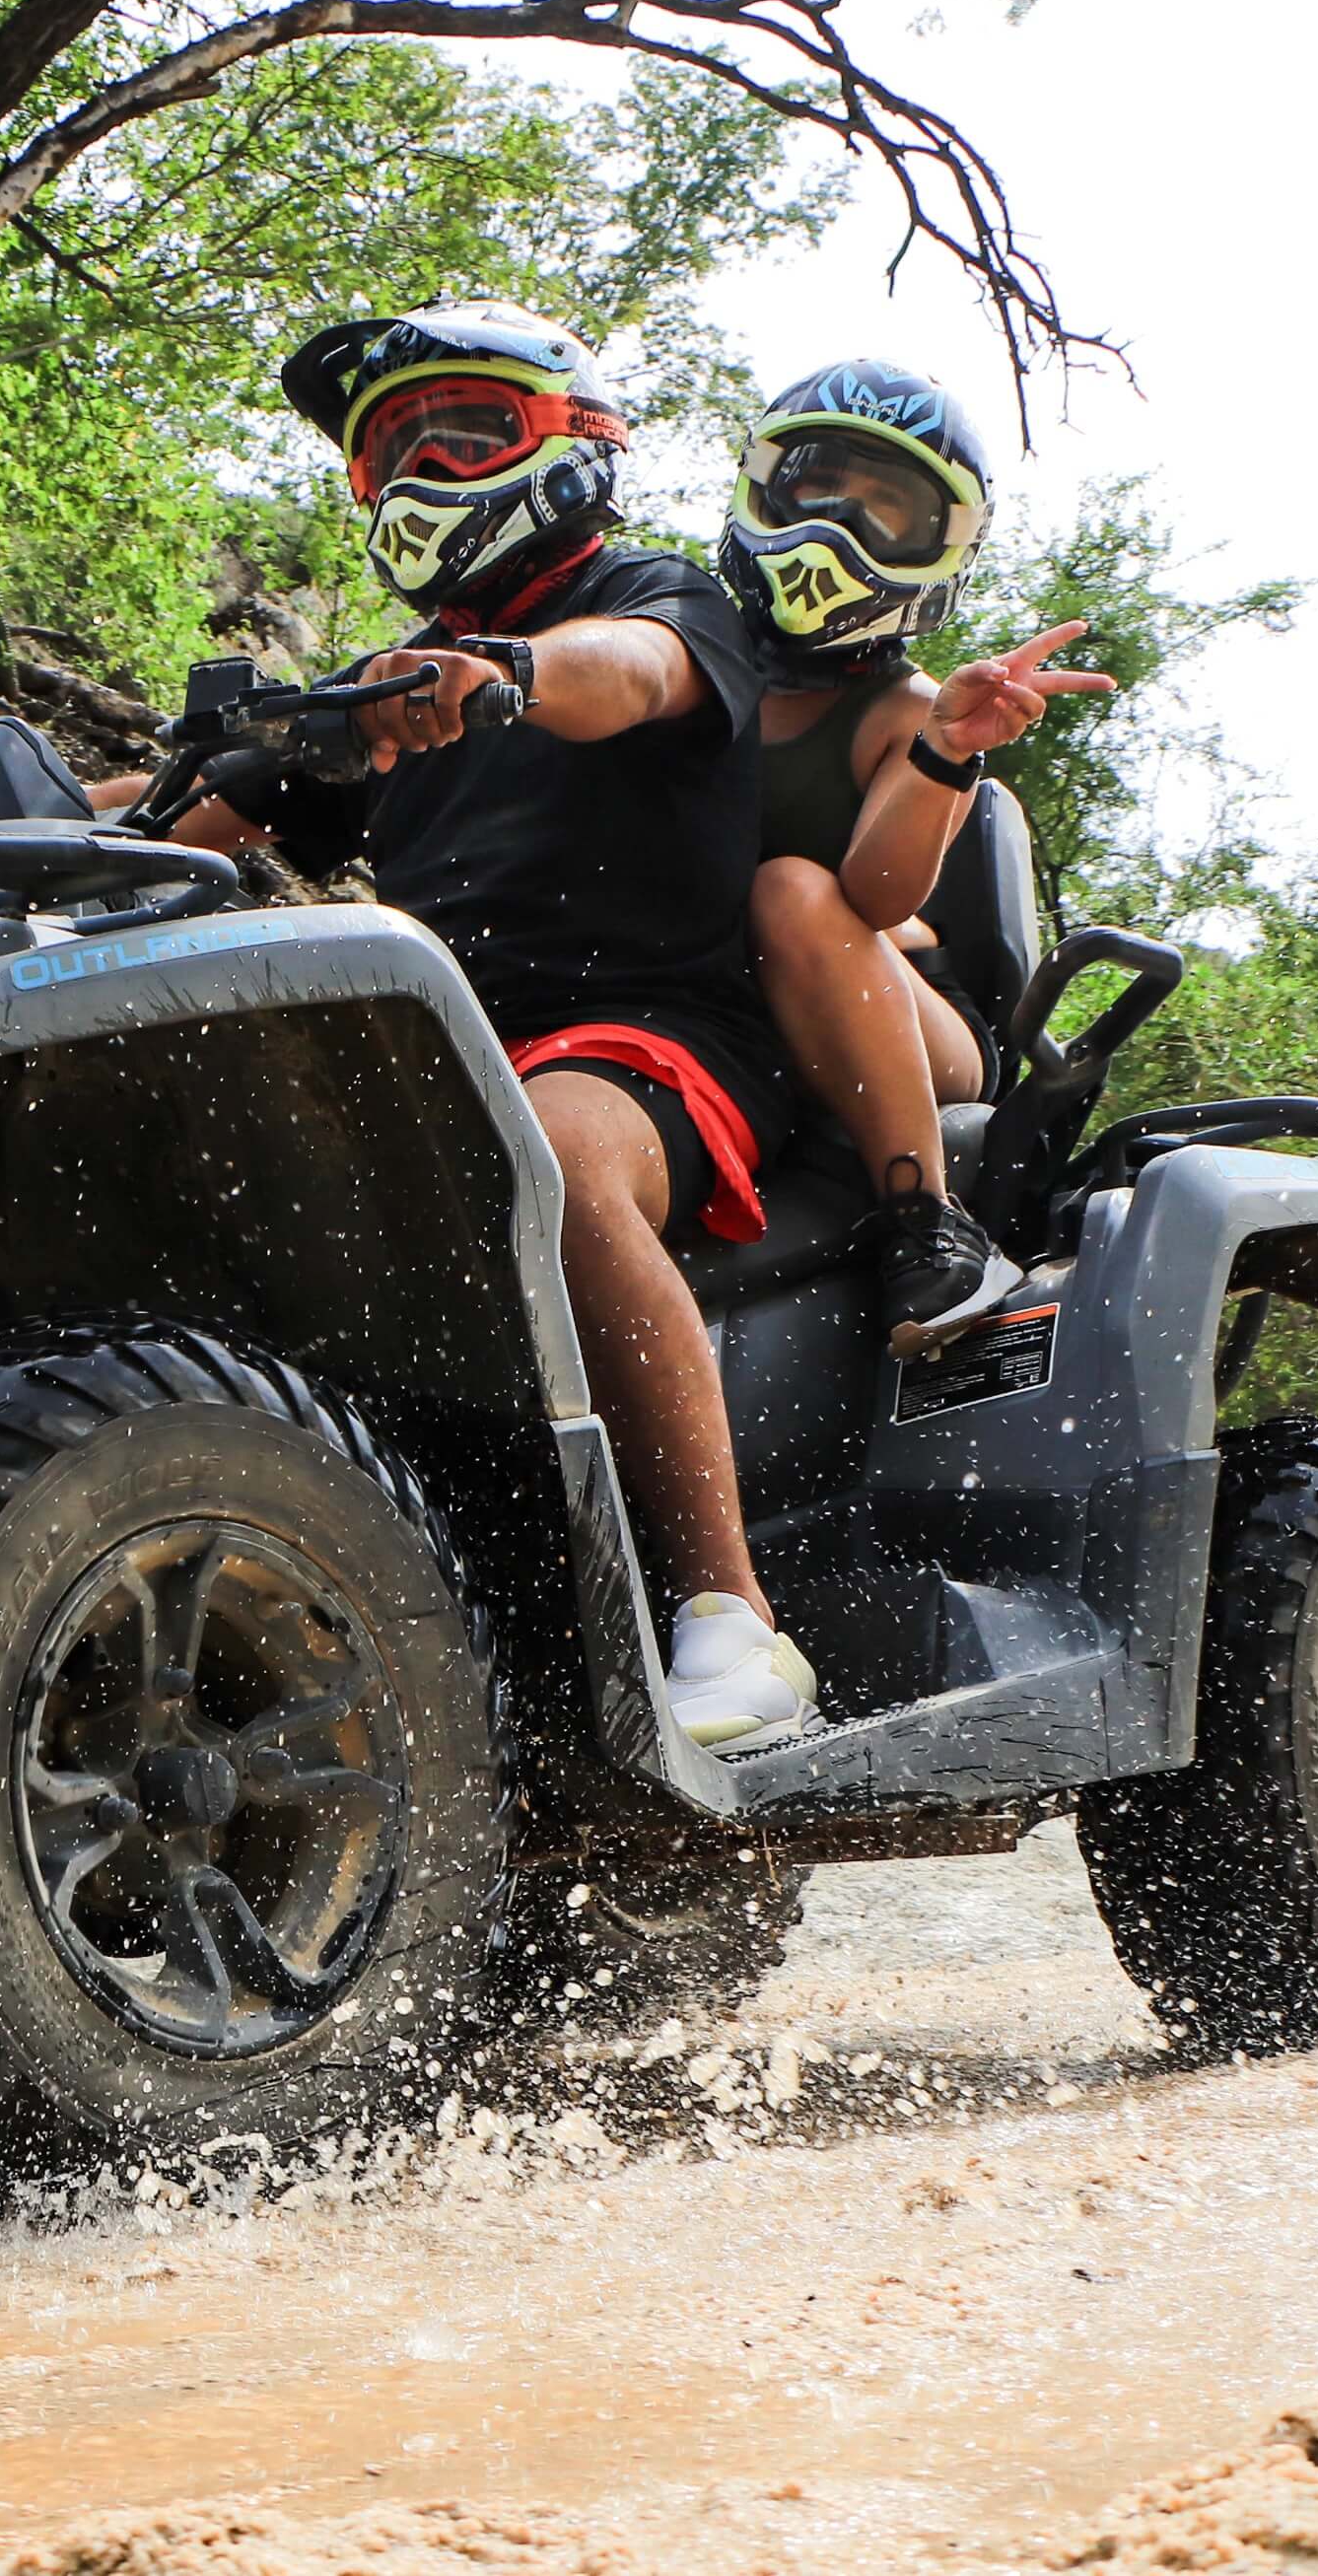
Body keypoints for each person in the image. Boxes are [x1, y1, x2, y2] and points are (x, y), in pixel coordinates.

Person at [92, 301, 814, 1755]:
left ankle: (733, 1619)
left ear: (573, 444)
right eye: (395, 449)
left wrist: (509, 678)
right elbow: (183, 816)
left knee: (552, 1158)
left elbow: (633, 672)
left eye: (466, 432)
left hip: (648, 1037)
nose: (425, 470)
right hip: (445, 1057)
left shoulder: (660, 600)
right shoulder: (394, 686)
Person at [720, 360, 1115, 1354]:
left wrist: (948, 749)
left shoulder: (907, 709)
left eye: (882, 509)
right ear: (767, 485)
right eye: (820, 485)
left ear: (938, 547)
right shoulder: (684, 658)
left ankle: (929, 1220)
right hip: (720, 1008)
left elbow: (877, 894)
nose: (837, 527)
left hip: (907, 1013)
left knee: (791, 891)